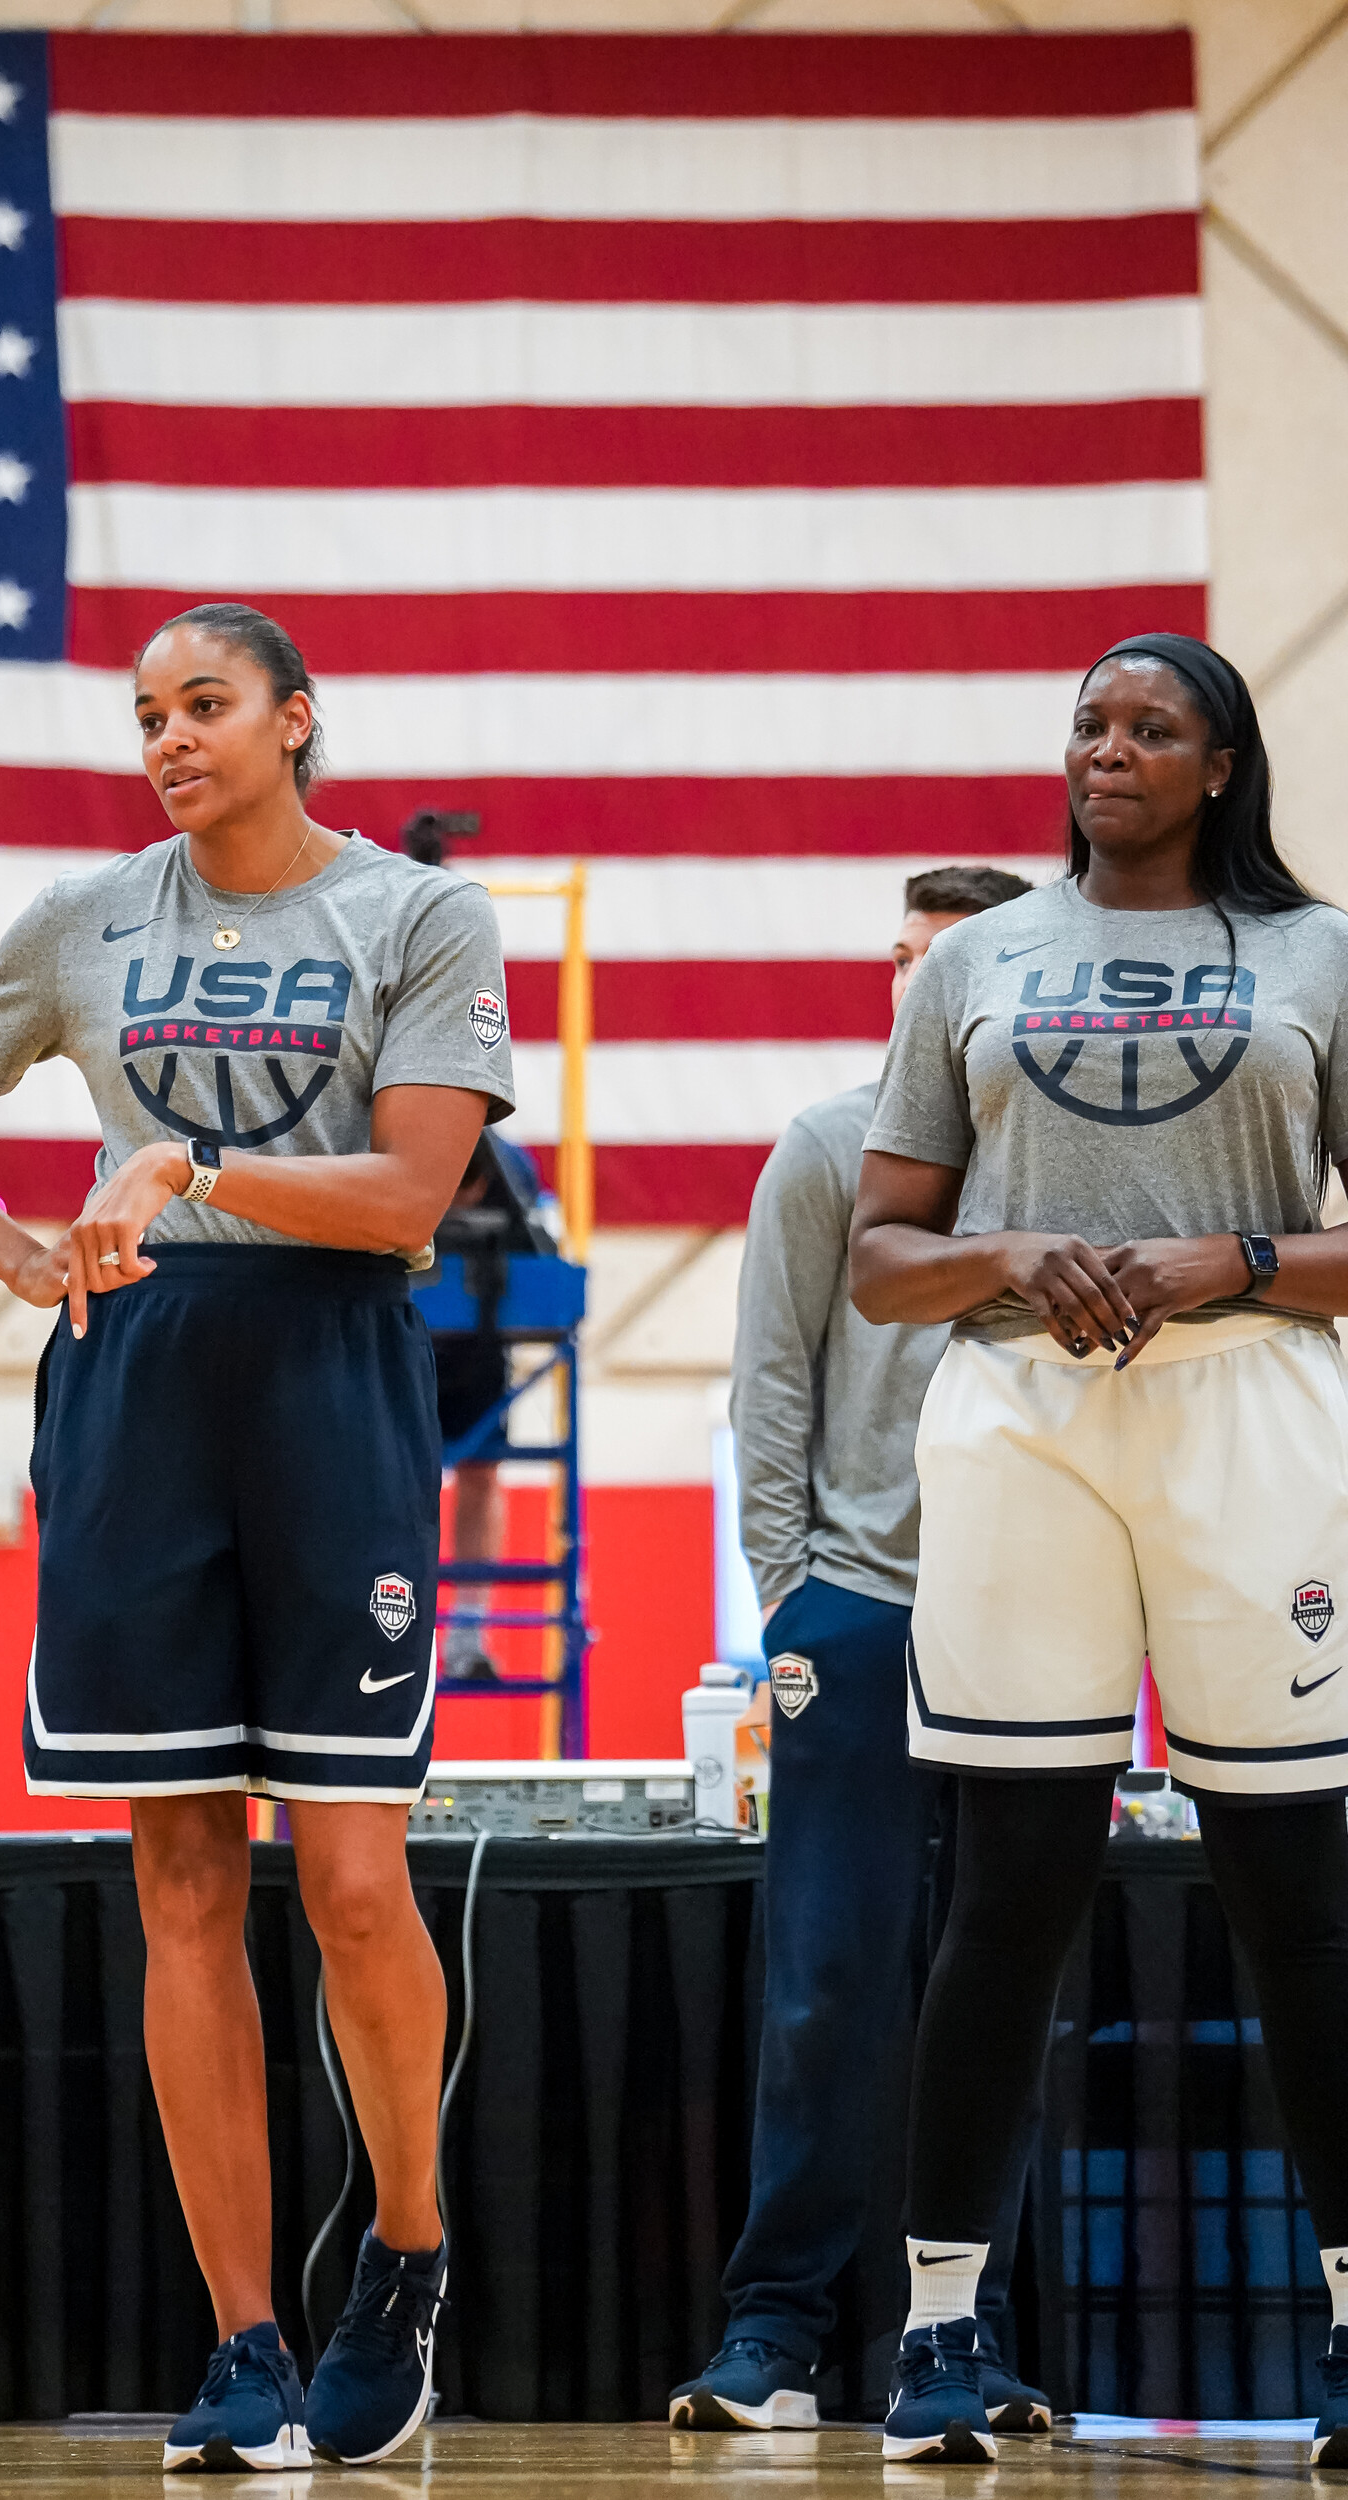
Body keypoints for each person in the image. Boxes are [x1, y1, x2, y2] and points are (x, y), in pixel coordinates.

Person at [0, 602, 516, 2472]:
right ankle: (240, 2332)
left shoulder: (415, 916)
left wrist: (189, 1165)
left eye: (204, 704)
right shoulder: (86, 921)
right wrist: (9, 1244)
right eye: (148, 713)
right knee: (175, 1879)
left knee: (353, 1881)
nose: (167, 736)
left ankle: (405, 2254)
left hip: (330, 1375)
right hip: (134, 1377)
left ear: (295, 721)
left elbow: (408, 1189)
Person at [849, 633, 1348, 2467]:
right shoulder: (976, 961)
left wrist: (1236, 1260)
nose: (1108, 750)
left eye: (1151, 728)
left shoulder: (1319, 955)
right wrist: (1010, 1254)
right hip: (1021, 1416)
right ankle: (937, 2339)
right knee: (1008, 1888)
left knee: (1294, 1887)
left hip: (1254, 1409)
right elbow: (883, 1254)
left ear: (1223, 764)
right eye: (1088, 724)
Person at [670, 865, 1045, 2438]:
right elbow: (769, 1395)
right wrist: (795, 1601)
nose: (906, 986)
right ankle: (774, 2331)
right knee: (827, 1981)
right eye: (895, 960)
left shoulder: (1072, 1164)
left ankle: (957, 2342)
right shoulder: (827, 1147)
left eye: (939, 962)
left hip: (1038, 1621)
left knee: (998, 1992)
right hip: (859, 1613)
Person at [430, 1128, 551, 1683]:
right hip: (401, 1341)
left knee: (481, 1476)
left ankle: (467, 1635)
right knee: (401, 1480)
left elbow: (545, 1256)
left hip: (479, 1347)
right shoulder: (388, 1138)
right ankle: (391, 1633)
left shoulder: (513, 1163)